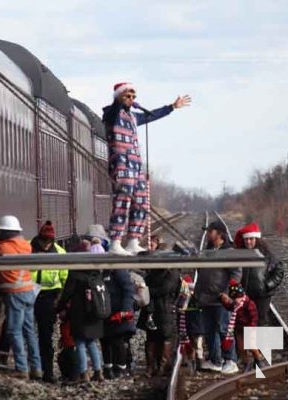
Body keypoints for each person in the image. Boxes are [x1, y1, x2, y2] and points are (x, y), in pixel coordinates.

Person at [102, 82, 191, 256]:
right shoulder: (111, 113)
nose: (131, 99)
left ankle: (134, 240)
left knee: (141, 201)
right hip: (121, 165)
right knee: (123, 202)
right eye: (128, 95)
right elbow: (115, 108)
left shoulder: (133, 117)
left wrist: (171, 107)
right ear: (119, 96)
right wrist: (119, 100)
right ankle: (116, 241)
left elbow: (152, 116)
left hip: (136, 167)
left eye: (134, 96)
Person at [0, 215, 42, 379]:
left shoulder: (2, 249)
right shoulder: (25, 246)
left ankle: (22, 368)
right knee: (29, 331)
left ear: (4, 232)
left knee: (14, 331)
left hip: (15, 294)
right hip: (29, 291)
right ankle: (37, 367)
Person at [195, 220, 241, 374]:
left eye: (210, 231)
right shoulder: (208, 250)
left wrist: (229, 294)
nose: (208, 234)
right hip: (206, 298)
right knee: (209, 331)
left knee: (224, 329)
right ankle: (216, 360)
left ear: (219, 233)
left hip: (221, 299)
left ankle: (231, 360)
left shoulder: (229, 252)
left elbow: (236, 273)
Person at [57, 240, 105, 382]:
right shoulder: (96, 272)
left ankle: (84, 373)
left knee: (80, 343)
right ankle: (98, 371)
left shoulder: (75, 274)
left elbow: (67, 294)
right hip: (94, 313)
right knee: (91, 343)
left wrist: (59, 308)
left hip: (79, 314)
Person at [29, 221, 68, 383]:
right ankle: (32, 369)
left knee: (45, 337)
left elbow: (64, 278)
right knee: (27, 334)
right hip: (29, 294)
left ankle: (47, 372)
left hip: (49, 297)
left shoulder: (60, 253)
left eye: (49, 242)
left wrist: (60, 302)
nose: (46, 245)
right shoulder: (27, 249)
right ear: (39, 238)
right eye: (44, 241)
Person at [234, 223, 284, 326]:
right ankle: (250, 342)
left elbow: (278, 269)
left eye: (251, 239)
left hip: (262, 296)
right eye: (246, 239)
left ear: (257, 239)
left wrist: (267, 285)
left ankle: (261, 342)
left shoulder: (266, 253)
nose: (248, 242)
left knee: (260, 321)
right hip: (244, 294)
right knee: (245, 321)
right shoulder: (240, 253)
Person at [137, 267, 181, 377]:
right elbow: (166, 289)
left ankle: (154, 367)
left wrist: (148, 290)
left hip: (157, 309)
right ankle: (160, 366)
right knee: (162, 337)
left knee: (155, 337)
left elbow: (163, 289)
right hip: (164, 309)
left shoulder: (151, 274)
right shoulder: (172, 273)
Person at [220, 280, 269, 372]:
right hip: (239, 329)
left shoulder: (248, 304)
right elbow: (229, 307)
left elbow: (254, 317)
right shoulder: (234, 305)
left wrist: (251, 327)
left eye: (238, 298)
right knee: (241, 347)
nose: (236, 300)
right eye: (234, 298)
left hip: (249, 328)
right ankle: (246, 362)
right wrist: (223, 301)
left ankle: (258, 359)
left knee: (252, 345)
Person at [101, 268, 136, 379]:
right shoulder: (106, 273)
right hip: (108, 311)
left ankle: (120, 368)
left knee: (118, 340)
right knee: (107, 340)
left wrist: (125, 310)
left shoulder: (119, 272)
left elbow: (128, 290)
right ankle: (110, 367)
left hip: (118, 312)